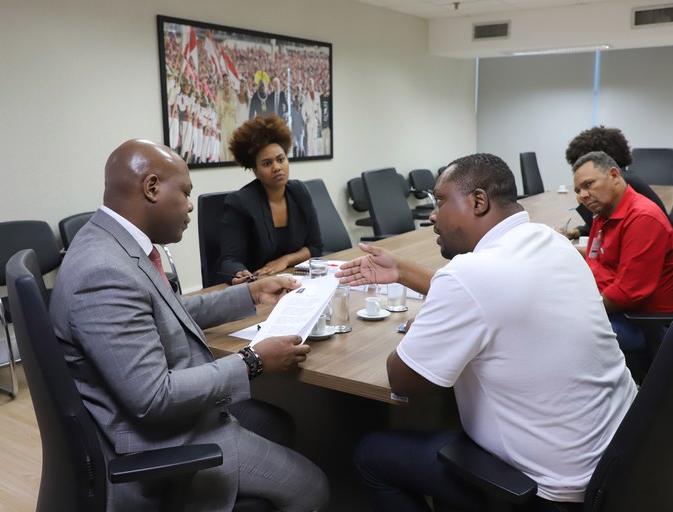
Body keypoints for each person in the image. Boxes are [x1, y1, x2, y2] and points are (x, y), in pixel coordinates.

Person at [336, 153, 637, 512]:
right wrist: (400, 269)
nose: (433, 213)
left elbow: (402, 381)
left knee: (372, 454)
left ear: (478, 201)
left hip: (546, 488)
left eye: (441, 200)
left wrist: (418, 334)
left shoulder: (470, 275)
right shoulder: (549, 241)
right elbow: (485, 296)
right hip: (617, 458)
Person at [49, 139, 329, 512]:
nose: (191, 205)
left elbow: (165, 310)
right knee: (314, 487)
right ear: (151, 188)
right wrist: (252, 362)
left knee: (277, 424)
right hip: (161, 439)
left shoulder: (110, 241)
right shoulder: (102, 271)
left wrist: (250, 294)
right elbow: (154, 398)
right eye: (185, 193)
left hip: (170, 419)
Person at [572, 150, 673, 353]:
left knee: (561, 335)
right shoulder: (603, 212)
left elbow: (627, 294)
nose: (582, 196)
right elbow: (597, 255)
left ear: (614, 175)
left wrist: (578, 311)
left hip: (640, 323)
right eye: (578, 190)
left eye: (588, 185)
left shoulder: (643, 219)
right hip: (616, 308)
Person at [220, 114, 323, 284]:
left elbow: (315, 246)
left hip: (295, 282)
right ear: (255, 170)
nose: (277, 167)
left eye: (281, 159)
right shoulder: (239, 203)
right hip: (258, 287)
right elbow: (229, 261)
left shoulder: (300, 192)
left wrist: (286, 260)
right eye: (267, 163)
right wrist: (240, 273)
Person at [562, 125, 669, 239]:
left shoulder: (624, 182)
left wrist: (583, 206)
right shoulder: (628, 177)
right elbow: (605, 222)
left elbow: (601, 229)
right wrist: (578, 231)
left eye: (589, 184)